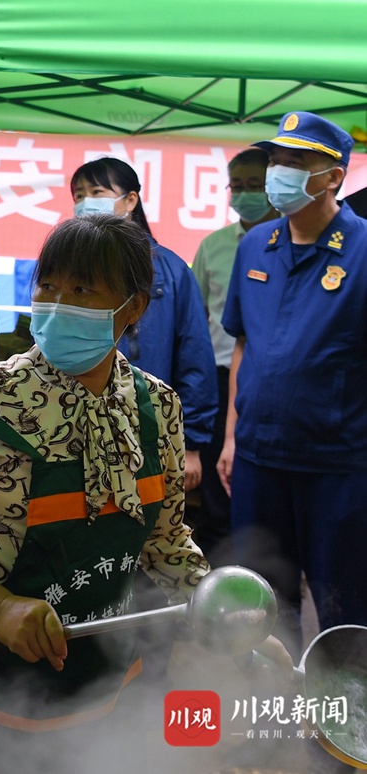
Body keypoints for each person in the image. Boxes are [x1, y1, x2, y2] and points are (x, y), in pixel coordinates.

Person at [0, 214, 291, 774]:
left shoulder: (155, 408)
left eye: (80, 290)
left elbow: (165, 540)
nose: (56, 304)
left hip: (107, 685)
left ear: (133, 308)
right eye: (47, 286)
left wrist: (233, 623)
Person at [219, 112, 367, 656]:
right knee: (261, 605)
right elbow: (243, 345)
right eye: (276, 160)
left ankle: (341, 706)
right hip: (259, 460)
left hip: (338, 466)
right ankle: (272, 703)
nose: (279, 172)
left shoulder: (363, 249)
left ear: (333, 177)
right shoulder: (256, 245)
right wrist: (231, 437)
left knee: (343, 606)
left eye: (295, 162)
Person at [70, 157, 217, 489]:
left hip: (150, 428)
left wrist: (192, 443)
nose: (85, 201)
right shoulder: (68, 267)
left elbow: (195, 358)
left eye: (97, 192)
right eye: (78, 195)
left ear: (131, 200)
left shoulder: (170, 271)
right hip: (77, 425)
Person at [189, 149, 277, 562]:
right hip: (220, 377)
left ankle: (262, 556)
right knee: (216, 479)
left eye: (254, 186)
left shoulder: (287, 242)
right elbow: (197, 315)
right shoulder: (215, 245)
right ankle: (218, 566)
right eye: (236, 186)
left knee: (260, 475)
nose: (244, 194)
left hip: (268, 380)